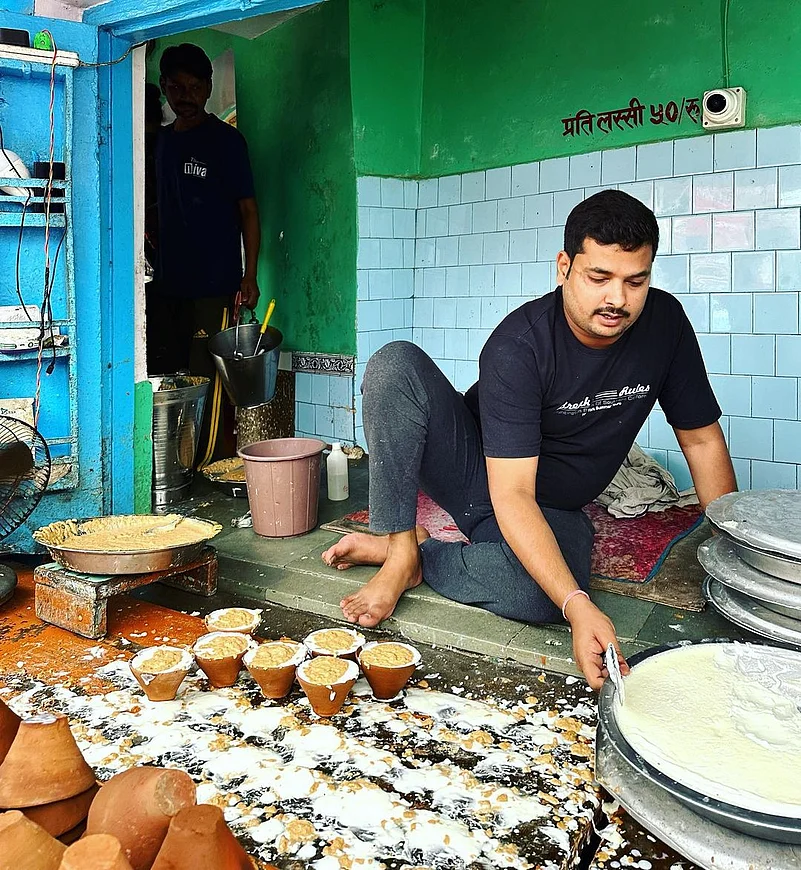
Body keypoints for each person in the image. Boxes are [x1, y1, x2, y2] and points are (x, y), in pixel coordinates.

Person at [322, 189, 737, 690]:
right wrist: (579, 607)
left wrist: (733, 553)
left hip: (555, 504)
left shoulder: (664, 325)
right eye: (598, 278)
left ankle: (421, 555)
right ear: (564, 267)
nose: (617, 300)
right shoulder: (518, 346)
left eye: (636, 281)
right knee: (394, 364)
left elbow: (701, 441)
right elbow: (512, 493)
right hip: (477, 473)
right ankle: (400, 547)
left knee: (542, 596)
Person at [147, 43, 260, 461]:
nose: (187, 96)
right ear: (164, 87)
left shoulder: (226, 142)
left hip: (215, 284)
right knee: (169, 377)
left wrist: (250, 275)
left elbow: (248, 211)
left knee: (208, 380)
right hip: (166, 285)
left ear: (209, 88)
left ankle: (208, 467)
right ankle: (173, 468)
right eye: (177, 87)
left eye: (195, 87)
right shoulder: (158, 143)